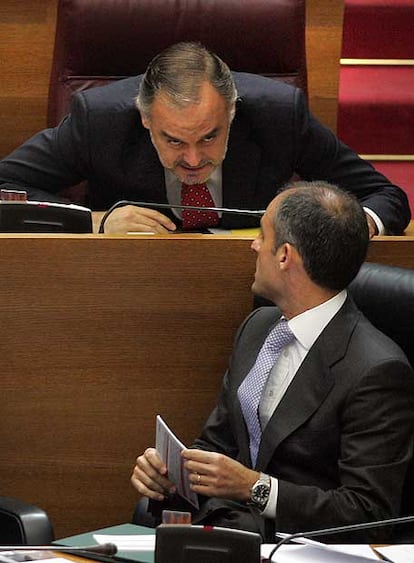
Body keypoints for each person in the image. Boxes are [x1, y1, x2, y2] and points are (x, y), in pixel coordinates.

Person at [130, 180, 414, 542]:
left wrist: (257, 488)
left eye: (263, 236)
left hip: (296, 543)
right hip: (227, 524)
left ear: (284, 256)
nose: (253, 246)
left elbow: (369, 512)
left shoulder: (376, 370)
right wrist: (174, 471)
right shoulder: (258, 327)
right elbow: (218, 443)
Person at [0, 42, 410, 235]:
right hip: (133, 284)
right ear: (145, 119)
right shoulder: (100, 121)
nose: (194, 159)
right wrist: (94, 222)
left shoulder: (279, 114)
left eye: (211, 136)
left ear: (232, 112)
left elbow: (384, 197)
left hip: (254, 287)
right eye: (174, 141)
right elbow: (5, 191)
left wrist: (329, 229)